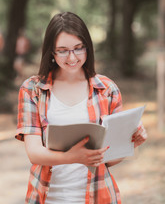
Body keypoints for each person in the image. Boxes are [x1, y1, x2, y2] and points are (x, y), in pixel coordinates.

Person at [15, 12, 147, 204]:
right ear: (51, 51)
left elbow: (108, 160)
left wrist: (132, 142)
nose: (72, 57)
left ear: (88, 47)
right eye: (62, 50)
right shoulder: (32, 89)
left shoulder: (107, 89)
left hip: (98, 196)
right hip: (48, 197)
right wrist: (73, 157)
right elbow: (34, 153)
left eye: (78, 48)